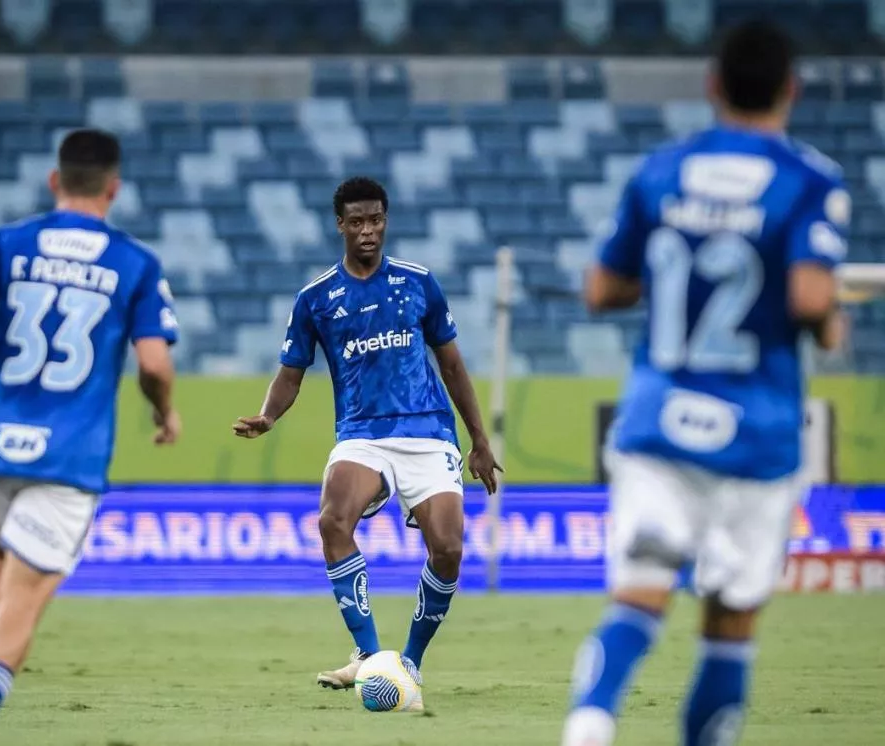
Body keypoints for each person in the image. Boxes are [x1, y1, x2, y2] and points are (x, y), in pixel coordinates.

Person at [561, 20, 849, 746]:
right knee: (728, 626)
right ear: (793, 88)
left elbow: (600, 289)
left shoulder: (661, 171)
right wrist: (832, 323)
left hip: (660, 423)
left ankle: (589, 725)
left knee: (637, 600)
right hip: (755, 435)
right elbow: (812, 301)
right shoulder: (809, 181)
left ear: (712, 86)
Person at [0, 129, 181, 746]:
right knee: (24, 601)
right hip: (69, 449)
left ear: (55, 181)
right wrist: (164, 410)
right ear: (113, 189)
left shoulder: (7, 243)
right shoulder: (134, 263)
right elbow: (155, 365)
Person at [234, 176, 502, 691]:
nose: (367, 231)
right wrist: (268, 416)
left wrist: (480, 441)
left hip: (428, 430)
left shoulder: (419, 282)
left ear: (385, 220)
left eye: (375, 220)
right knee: (333, 520)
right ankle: (370, 653)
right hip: (362, 433)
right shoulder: (315, 298)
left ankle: (410, 663)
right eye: (356, 222)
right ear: (340, 225)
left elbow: (451, 365)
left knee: (447, 550)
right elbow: (290, 373)